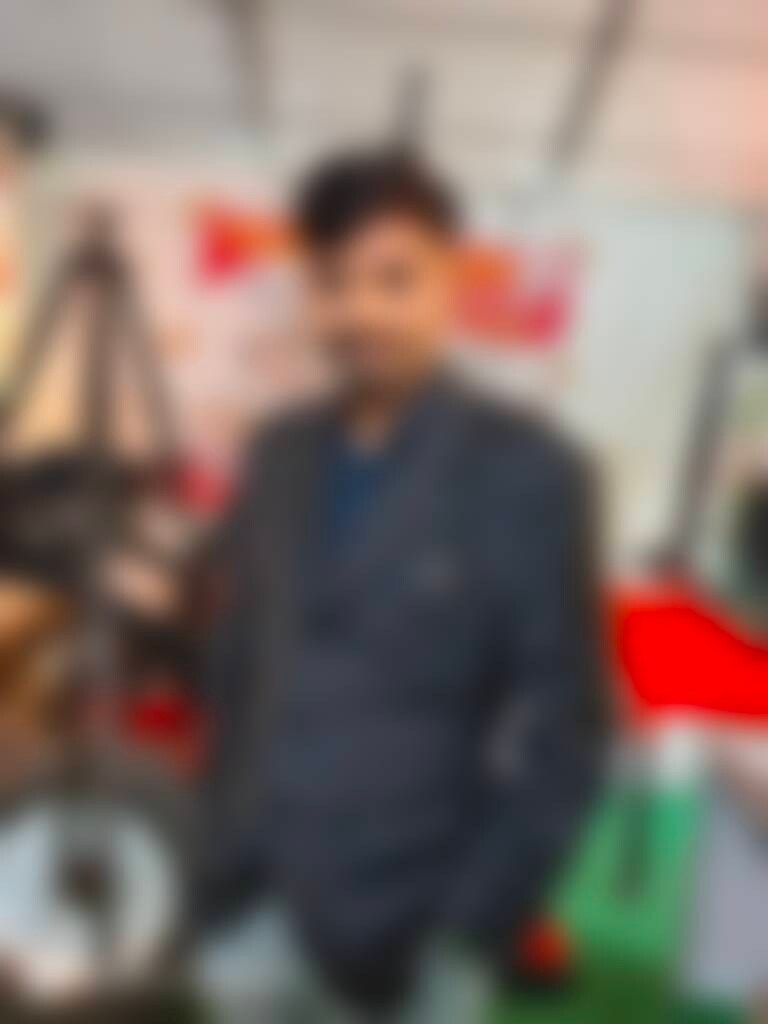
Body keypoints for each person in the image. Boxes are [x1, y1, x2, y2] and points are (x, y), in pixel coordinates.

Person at [197, 150, 606, 1023]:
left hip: (414, 929)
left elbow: (569, 729)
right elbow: (240, 659)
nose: (362, 310)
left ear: (450, 281)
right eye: (335, 282)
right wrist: (218, 835)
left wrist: (469, 928)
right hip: (248, 908)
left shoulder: (527, 473)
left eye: (394, 278)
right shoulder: (276, 452)